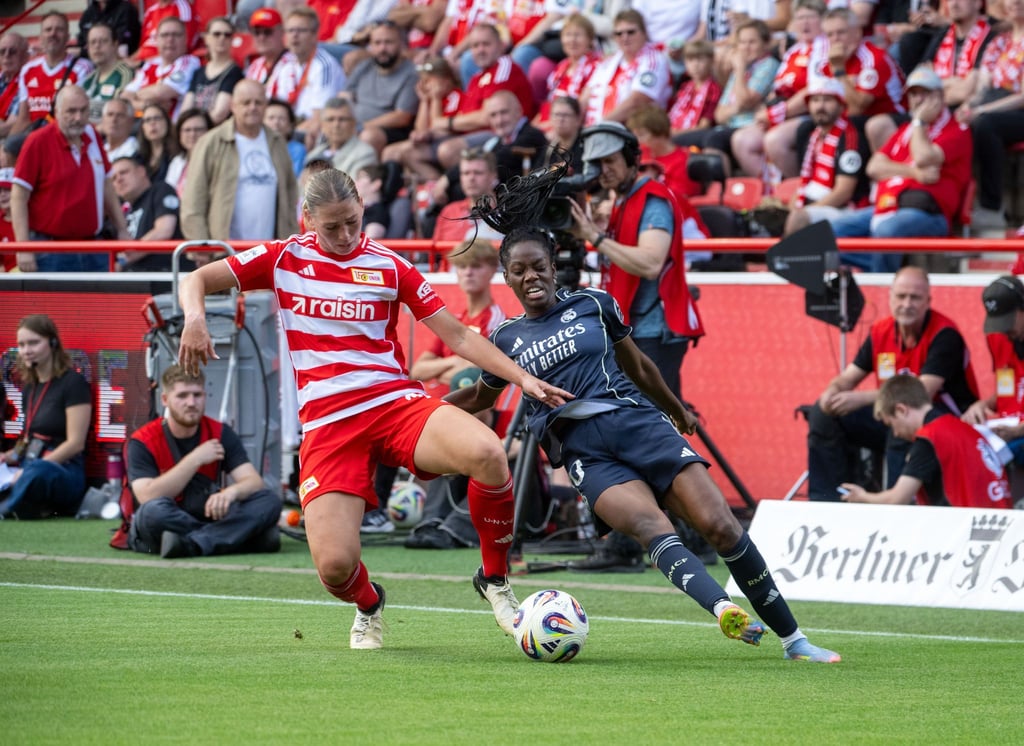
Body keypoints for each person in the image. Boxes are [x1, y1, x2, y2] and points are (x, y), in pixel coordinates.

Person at [176, 167, 571, 650]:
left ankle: (495, 580)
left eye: (353, 222)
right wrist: (194, 318)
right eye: (332, 226)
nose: (345, 236)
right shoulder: (283, 258)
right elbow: (196, 278)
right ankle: (369, 604)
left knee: (487, 453)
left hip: (392, 405)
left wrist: (523, 376)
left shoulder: (390, 264)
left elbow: (459, 335)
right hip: (327, 425)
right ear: (307, 220)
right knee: (335, 567)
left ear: (363, 208)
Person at [449, 193, 841, 662]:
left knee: (720, 526)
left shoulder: (596, 304)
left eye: (538, 266)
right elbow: (480, 397)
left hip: (637, 423)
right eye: (519, 271)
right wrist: (420, 408)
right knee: (652, 527)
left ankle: (795, 641)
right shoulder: (505, 339)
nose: (530, 277)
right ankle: (722, 610)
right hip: (584, 455)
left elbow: (640, 367)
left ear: (553, 265)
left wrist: (676, 410)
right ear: (507, 277)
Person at [567, 121, 705, 571]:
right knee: (644, 436)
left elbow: (650, 261)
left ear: (631, 157)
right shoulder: (628, 200)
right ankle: (668, 533)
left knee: (653, 437)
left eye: (609, 161)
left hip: (656, 329)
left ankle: (684, 531)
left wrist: (598, 237)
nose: (602, 171)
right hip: (639, 329)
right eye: (597, 164)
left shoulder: (654, 200)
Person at [807, 267, 980, 502]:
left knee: (903, 415)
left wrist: (859, 398)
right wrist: (832, 391)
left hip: (943, 419)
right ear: (890, 297)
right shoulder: (881, 331)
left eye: (915, 297)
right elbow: (848, 377)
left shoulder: (945, 334)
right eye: (901, 296)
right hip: (896, 415)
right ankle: (828, 501)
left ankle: (895, 508)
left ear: (928, 301)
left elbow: (920, 393)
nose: (907, 304)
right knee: (823, 413)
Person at [123, 365, 283, 558]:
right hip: (168, 516)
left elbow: (253, 482)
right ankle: (238, 538)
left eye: (197, 395)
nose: (191, 402)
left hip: (206, 514)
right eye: (182, 396)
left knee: (269, 501)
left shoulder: (219, 432)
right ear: (165, 400)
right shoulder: (143, 440)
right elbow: (147, 496)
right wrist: (195, 458)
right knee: (152, 512)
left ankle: (191, 544)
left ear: (205, 396)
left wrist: (231, 493)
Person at [829, 66, 973, 272]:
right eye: (914, 94)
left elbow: (923, 157)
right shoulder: (906, 130)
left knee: (888, 231)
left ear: (940, 97)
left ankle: (882, 281)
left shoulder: (957, 130)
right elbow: (874, 167)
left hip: (930, 213)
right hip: (889, 204)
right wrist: (914, 173)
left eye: (925, 93)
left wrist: (920, 122)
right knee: (833, 232)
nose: (918, 99)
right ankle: (884, 267)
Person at [840, 374, 1013, 508]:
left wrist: (862, 497)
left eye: (891, 424)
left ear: (901, 410)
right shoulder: (962, 428)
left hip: (970, 533)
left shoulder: (930, 438)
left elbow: (897, 499)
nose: (896, 433)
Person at [10, 85, 129, 273]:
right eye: (71, 111)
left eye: (83, 110)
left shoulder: (91, 135)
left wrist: (122, 229)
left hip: (93, 246)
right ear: (57, 112)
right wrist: (23, 247)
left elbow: (106, 185)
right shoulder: (37, 141)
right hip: (50, 249)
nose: (78, 117)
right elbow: (18, 195)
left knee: (99, 303)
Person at [181, 79, 299, 242]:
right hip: (225, 251)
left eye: (258, 102)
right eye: (246, 102)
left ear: (266, 105)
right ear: (233, 106)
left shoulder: (278, 141)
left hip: (271, 251)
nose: (252, 107)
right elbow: (193, 198)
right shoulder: (211, 142)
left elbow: (290, 193)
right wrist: (201, 244)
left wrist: (292, 239)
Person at [0, 315, 92, 520]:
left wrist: (30, 470)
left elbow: (76, 444)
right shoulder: (29, 389)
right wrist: (7, 456)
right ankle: (21, 502)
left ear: (52, 343)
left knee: (39, 471)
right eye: (21, 345)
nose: (26, 350)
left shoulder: (73, 383)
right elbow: (27, 439)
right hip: (29, 465)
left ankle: (8, 507)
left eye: (33, 343)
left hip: (63, 471)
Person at [956, 0, 1024, 237]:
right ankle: (958, 206)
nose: (1015, 2)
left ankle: (992, 206)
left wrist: (984, 111)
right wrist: (968, 106)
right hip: (994, 104)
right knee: (959, 124)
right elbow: (983, 88)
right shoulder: (999, 42)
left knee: (986, 125)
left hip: (1017, 109)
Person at [782, 75, 871, 236]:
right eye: (815, 100)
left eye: (827, 100)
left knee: (798, 219)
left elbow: (843, 192)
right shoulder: (813, 136)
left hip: (846, 210)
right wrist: (793, 208)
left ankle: (785, 260)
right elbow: (804, 182)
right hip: (817, 204)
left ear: (841, 105)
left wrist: (804, 212)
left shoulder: (850, 138)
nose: (820, 106)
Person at [962, 275, 1024, 465]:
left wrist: (1017, 431)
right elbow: (1011, 392)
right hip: (1005, 428)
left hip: (1017, 435)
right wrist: (981, 405)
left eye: (1008, 320)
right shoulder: (998, 339)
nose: (1004, 330)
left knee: (988, 459)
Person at [266, 7, 346, 149]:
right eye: (290, 31)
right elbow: (272, 104)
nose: (294, 35)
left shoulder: (323, 64)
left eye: (301, 30)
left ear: (314, 35)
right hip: (286, 123)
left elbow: (319, 117)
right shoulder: (285, 63)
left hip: (310, 129)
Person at [579, 10, 672, 127]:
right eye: (619, 33)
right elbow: (585, 97)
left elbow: (637, 102)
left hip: (634, 134)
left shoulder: (654, 61)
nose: (625, 37)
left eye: (631, 32)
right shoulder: (608, 62)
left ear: (644, 33)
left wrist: (598, 126)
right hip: (598, 131)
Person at [345, 19, 419, 155]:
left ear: (401, 45)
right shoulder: (364, 66)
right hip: (354, 125)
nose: (382, 49)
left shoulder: (411, 73)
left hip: (389, 130)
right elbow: (345, 96)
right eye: (377, 43)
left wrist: (361, 126)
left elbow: (402, 116)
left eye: (388, 42)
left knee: (369, 136)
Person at [11, 12, 94, 133]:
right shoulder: (28, 70)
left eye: (59, 29)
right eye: (48, 29)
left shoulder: (82, 68)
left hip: (64, 135)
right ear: (40, 37)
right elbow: (23, 119)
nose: (52, 34)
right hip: (33, 135)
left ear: (67, 37)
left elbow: (80, 115)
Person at [111, 154, 183, 271]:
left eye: (124, 172)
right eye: (113, 178)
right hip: (136, 280)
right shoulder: (123, 211)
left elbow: (164, 231)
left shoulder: (161, 190)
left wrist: (123, 259)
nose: (119, 179)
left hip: (163, 276)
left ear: (141, 171)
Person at [122, 16, 201, 121]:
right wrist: (147, 104)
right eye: (165, 35)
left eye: (176, 35)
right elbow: (124, 98)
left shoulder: (189, 62)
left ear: (186, 39)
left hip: (173, 129)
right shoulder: (150, 64)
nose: (170, 39)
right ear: (157, 40)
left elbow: (162, 92)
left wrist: (136, 96)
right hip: (144, 125)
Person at [179, 17, 244, 125]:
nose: (222, 38)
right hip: (195, 130)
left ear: (232, 40)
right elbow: (186, 108)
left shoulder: (235, 73)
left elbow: (220, 114)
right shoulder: (198, 72)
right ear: (206, 38)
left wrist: (197, 128)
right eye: (216, 34)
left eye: (227, 35)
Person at [302, 97, 379, 176]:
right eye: (330, 119)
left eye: (342, 119)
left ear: (353, 123)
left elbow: (356, 187)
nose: (336, 125)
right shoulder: (313, 155)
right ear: (322, 125)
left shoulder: (365, 154)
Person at [80, 22, 136, 124]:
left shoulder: (125, 73)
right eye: (93, 42)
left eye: (103, 41)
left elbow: (119, 113)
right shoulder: (88, 79)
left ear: (115, 45)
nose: (97, 46)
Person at [164, 108, 212, 198]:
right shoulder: (177, 161)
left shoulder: (217, 160)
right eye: (187, 130)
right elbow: (168, 193)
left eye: (198, 129)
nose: (192, 134)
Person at [77, 0, 142, 59]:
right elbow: (81, 42)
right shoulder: (88, 13)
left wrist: (82, 52)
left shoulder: (126, 10)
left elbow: (120, 44)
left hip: (121, 63)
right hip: (92, 63)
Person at [244, 7, 287, 85]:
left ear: (281, 31)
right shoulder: (254, 67)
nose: (262, 38)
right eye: (257, 32)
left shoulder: (295, 63)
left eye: (267, 32)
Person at [136, 104, 178, 183]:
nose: (152, 123)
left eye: (157, 118)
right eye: (147, 120)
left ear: (167, 123)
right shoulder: (137, 158)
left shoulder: (177, 154)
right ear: (142, 127)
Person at [264, 98, 306, 177]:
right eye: (271, 118)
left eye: (282, 118)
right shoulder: (253, 146)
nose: (276, 122)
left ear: (290, 125)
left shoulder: (297, 150)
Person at [0, 32, 29, 139]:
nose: (6, 55)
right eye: (2, 52)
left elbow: (12, 126)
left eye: (12, 51)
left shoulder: (29, 82)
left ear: (25, 56)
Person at [99, 97, 139, 162]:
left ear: (131, 121)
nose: (114, 120)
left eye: (120, 115)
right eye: (110, 114)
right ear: (102, 119)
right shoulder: (97, 148)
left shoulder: (136, 151)